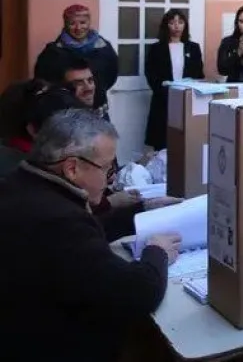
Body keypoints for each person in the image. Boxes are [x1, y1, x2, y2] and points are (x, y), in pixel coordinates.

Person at [0, 109, 181, 362]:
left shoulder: (22, 183)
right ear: (72, 168)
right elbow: (138, 293)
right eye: (107, 169)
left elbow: (84, 234)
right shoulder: (59, 222)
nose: (110, 180)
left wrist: (139, 212)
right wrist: (157, 252)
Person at [34, 4, 118, 115]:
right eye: (72, 23)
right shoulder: (52, 53)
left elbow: (112, 74)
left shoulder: (104, 48)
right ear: (65, 24)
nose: (78, 28)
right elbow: (43, 81)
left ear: (89, 23)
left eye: (83, 22)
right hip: (64, 112)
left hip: (98, 110)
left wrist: (98, 91)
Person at [144, 9, 205, 151]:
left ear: (185, 25)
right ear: (166, 25)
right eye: (172, 23)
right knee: (162, 143)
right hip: (163, 100)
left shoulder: (193, 47)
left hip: (187, 99)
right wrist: (163, 89)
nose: (177, 26)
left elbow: (198, 73)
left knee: (185, 142)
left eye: (180, 22)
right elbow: (150, 73)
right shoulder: (156, 48)